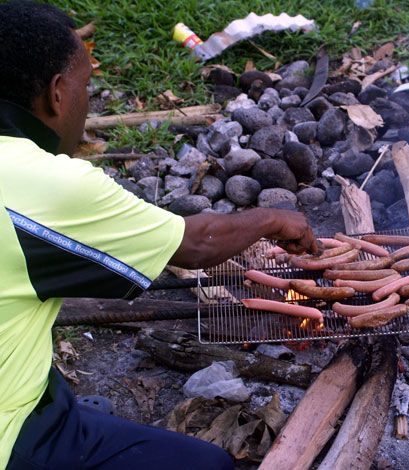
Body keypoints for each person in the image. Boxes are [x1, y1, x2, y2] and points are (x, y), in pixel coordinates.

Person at [0, 2, 318, 469]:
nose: (88, 100)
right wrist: (272, 220)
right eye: (86, 85)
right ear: (55, 94)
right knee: (208, 465)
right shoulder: (46, 185)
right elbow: (194, 244)